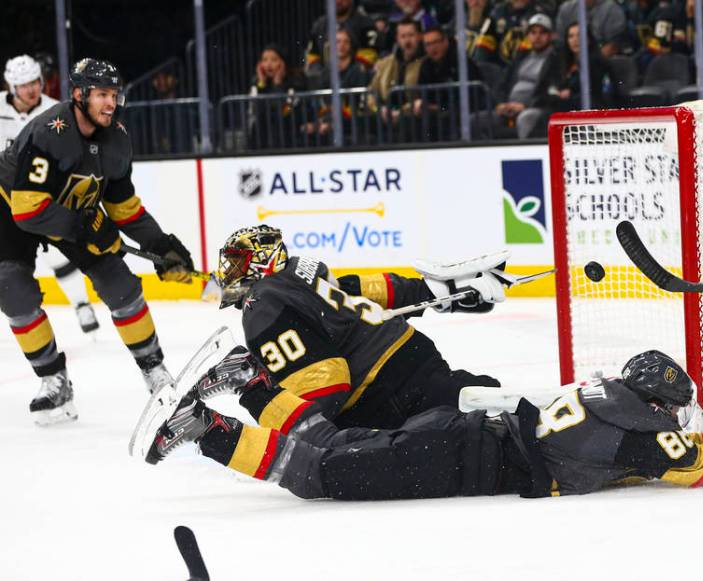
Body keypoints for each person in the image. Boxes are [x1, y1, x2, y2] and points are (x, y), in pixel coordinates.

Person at [143, 347, 703, 500]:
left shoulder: (608, 391)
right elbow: (698, 461)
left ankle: (252, 387)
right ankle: (207, 428)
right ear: (660, 402)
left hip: (467, 435)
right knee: (324, 470)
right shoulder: (641, 427)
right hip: (466, 456)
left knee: (331, 443)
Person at [0, 58, 196, 425]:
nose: (111, 102)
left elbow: (123, 208)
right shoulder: (48, 131)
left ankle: (155, 371)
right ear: (78, 95)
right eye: (102, 94)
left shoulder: (117, 139)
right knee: (13, 291)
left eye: (114, 94)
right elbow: (28, 210)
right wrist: (86, 228)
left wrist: (161, 245)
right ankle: (53, 380)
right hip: (12, 207)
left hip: (72, 209)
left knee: (121, 287)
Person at [190, 225, 505, 432]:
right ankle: (484, 398)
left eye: (237, 263)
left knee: (460, 425)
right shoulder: (297, 268)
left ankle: (503, 414)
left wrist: (294, 431)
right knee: (456, 395)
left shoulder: (260, 306)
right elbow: (360, 288)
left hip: (382, 387)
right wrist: (428, 292)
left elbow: (325, 383)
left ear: (262, 261)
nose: (228, 272)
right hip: (410, 351)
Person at [1, 55, 99, 335]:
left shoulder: (56, 111)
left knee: (58, 257)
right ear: (12, 87)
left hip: (43, 197)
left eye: (34, 82)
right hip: (4, 201)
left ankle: (81, 305)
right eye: (23, 84)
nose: (30, 89)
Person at [489, 14, 558, 138]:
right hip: (509, 106)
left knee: (526, 118)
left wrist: (525, 106)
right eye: (533, 32)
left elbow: (549, 91)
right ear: (527, 35)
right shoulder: (521, 56)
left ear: (551, 36)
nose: (537, 37)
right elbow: (503, 83)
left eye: (542, 32)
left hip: (536, 108)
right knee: (477, 120)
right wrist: (501, 103)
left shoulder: (555, 59)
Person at [248, 44, 306, 150]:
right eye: (264, 60)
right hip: (263, 136)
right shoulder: (258, 82)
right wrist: (261, 85)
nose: (268, 64)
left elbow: (285, 112)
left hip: (288, 132)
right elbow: (256, 110)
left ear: (283, 63)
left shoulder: (296, 81)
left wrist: (278, 84)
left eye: (274, 60)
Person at [555, 0, 632, 58]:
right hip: (571, 62)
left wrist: (590, 64)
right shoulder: (566, 9)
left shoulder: (612, 9)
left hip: (603, 62)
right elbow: (561, 43)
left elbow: (613, 46)